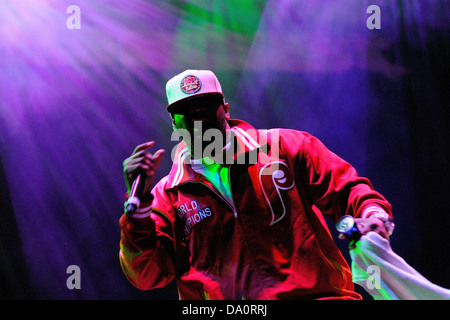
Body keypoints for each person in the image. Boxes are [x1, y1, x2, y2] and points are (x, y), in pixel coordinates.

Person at [119, 69, 394, 300]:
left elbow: (346, 189)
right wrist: (138, 208)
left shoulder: (285, 148)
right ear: (173, 122)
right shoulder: (166, 196)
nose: (198, 118)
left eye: (205, 107)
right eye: (187, 112)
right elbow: (146, 275)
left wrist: (373, 215)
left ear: (224, 108)